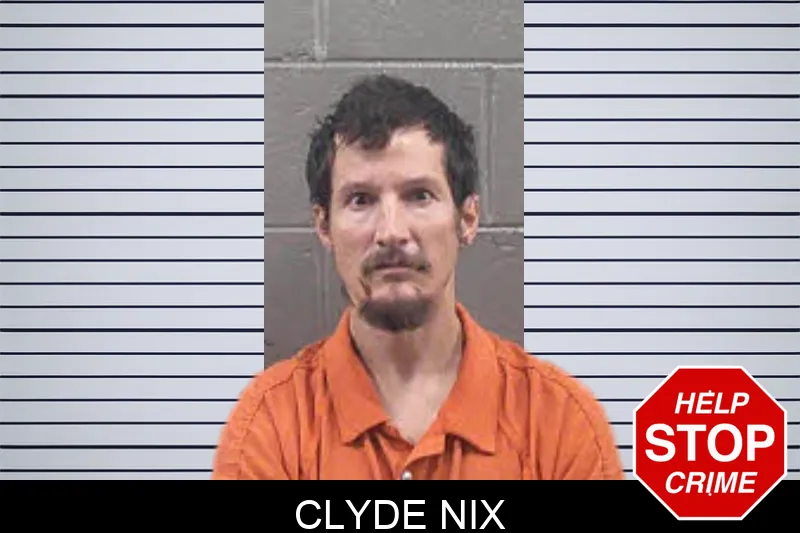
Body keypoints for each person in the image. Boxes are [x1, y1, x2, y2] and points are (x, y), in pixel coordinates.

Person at [212, 74, 624, 480]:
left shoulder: (559, 422)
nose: (392, 231)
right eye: (361, 200)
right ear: (324, 227)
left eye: (419, 196)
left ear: (467, 218)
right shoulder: (270, 425)